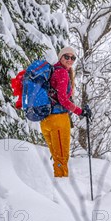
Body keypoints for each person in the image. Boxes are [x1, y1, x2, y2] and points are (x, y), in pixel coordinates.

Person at [40, 46, 89, 178]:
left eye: (72, 58)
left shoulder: (53, 71)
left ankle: (57, 187)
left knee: (57, 158)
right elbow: (62, 99)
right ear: (60, 57)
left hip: (46, 120)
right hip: (58, 121)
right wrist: (80, 111)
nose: (69, 60)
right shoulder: (61, 73)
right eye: (66, 57)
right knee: (61, 159)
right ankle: (61, 186)